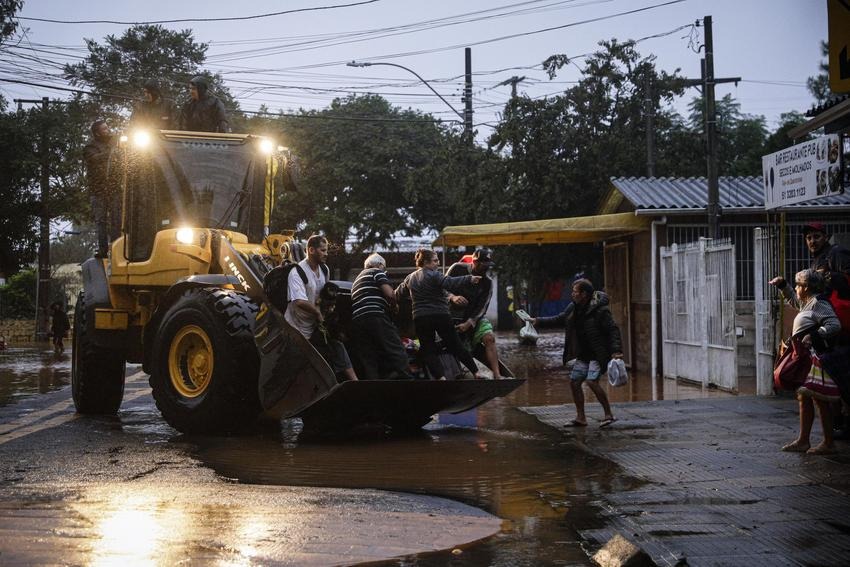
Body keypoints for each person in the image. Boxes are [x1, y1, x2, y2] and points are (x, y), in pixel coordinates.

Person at [532, 278, 622, 428]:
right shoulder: (573, 307)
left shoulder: (601, 311)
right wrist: (538, 321)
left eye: (575, 292)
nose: (572, 294)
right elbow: (560, 318)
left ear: (584, 294)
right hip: (584, 354)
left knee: (592, 381)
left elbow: (613, 330)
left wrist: (616, 351)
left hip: (598, 354)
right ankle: (581, 417)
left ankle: (608, 415)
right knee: (574, 382)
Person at [769, 269, 841, 454]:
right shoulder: (809, 303)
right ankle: (804, 440)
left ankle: (828, 443)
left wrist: (814, 335)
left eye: (798, 284)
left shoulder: (818, 303)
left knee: (820, 399)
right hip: (807, 358)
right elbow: (795, 300)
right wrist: (783, 286)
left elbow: (834, 325)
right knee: (805, 396)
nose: (797, 288)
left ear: (806, 287)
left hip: (815, 358)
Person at [395, 248, 483, 380]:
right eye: (435, 261)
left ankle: (441, 377)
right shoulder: (434, 275)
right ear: (426, 262)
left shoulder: (410, 278)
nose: (437, 263)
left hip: (420, 318)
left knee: (428, 349)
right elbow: (450, 283)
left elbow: (397, 294)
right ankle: (476, 373)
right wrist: (469, 278)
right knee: (455, 344)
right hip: (440, 315)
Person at [284, 235, 357, 382]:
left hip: (316, 323)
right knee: (303, 365)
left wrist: (328, 308)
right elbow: (298, 301)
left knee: (337, 345)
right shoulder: (297, 273)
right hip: (297, 328)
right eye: (323, 250)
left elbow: (323, 294)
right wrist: (317, 312)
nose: (326, 253)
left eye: (326, 250)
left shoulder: (324, 270)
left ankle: (354, 382)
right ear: (311, 250)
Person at [349, 253, 412, 380]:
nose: (385, 272)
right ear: (380, 265)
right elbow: (390, 294)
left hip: (358, 320)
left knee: (369, 357)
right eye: (385, 268)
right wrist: (394, 306)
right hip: (375, 315)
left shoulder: (356, 280)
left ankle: (374, 388)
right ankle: (408, 381)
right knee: (396, 348)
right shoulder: (376, 272)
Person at [445, 248, 502, 379]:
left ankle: (498, 375)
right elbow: (442, 287)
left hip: (473, 317)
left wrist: (470, 322)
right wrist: (452, 297)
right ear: (475, 262)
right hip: (451, 315)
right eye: (483, 266)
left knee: (489, 338)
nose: (486, 269)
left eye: (488, 266)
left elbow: (483, 308)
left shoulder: (487, 283)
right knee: (455, 346)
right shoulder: (457, 269)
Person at [83, 120, 120, 257]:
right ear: (97, 133)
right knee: (101, 221)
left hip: (114, 187)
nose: (108, 130)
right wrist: (112, 152)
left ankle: (117, 248)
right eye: (104, 129)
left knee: (117, 218)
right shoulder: (89, 147)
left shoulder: (115, 142)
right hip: (97, 190)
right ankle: (103, 250)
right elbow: (93, 159)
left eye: (107, 127)